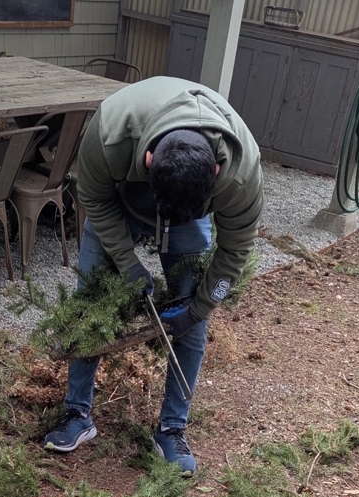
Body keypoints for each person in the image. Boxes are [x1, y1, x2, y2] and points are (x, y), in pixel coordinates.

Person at [43, 76, 264, 476]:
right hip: (120, 203)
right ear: (148, 161)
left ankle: (172, 429)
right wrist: (127, 263)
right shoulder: (110, 132)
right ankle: (77, 413)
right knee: (90, 303)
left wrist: (198, 309)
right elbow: (93, 198)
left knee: (192, 314)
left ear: (216, 171)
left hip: (189, 212)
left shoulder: (242, 173)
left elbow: (235, 251)